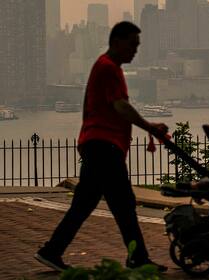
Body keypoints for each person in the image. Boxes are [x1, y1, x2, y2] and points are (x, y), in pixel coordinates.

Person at [34, 21, 168, 272]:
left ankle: (51, 250)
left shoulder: (108, 67)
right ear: (117, 42)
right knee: (123, 202)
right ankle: (137, 258)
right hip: (103, 145)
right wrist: (149, 127)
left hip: (98, 145)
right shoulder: (108, 68)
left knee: (85, 203)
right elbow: (120, 106)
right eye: (132, 44)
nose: (135, 51)